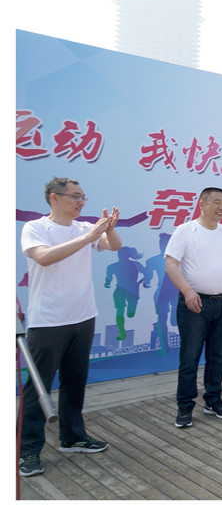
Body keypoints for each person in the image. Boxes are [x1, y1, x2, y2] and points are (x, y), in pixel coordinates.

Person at [19, 177, 121, 477]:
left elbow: (114, 245)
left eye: (83, 197)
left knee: (75, 382)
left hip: (83, 316)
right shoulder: (36, 228)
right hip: (49, 320)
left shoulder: (83, 228)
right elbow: (44, 257)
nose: (80, 202)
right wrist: (89, 236)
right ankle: (27, 451)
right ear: (54, 197)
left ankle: (73, 437)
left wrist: (108, 229)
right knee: (38, 388)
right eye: (75, 196)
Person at [165, 187, 222, 428]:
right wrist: (187, 291)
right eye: (216, 202)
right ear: (201, 204)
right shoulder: (185, 231)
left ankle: (213, 400)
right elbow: (171, 264)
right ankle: (185, 406)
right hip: (195, 304)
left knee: (218, 356)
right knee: (190, 358)